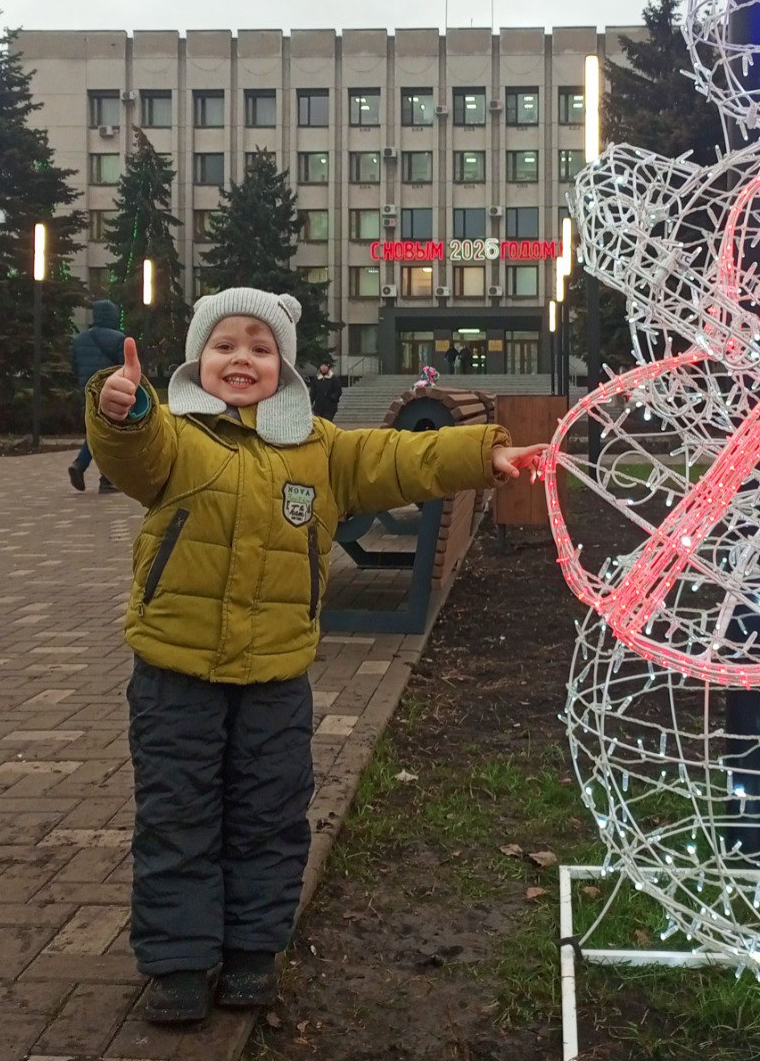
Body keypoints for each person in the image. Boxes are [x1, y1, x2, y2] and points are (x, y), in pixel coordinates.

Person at [85, 288, 546, 1025]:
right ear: (199, 358)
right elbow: (133, 452)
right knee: (178, 816)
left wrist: (485, 451)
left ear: (285, 367)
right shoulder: (175, 435)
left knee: (269, 814)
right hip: (176, 672)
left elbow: (403, 456)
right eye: (226, 345)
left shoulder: (322, 448)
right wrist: (122, 410)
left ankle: (252, 952)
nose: (242, 359)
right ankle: (177, 961)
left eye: (261, 348)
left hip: (275, 674)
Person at [69, 299, 126, 493]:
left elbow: (74, 367)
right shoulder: (119, 339)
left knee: (97, 432)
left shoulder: (80, 339)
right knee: (110, 434)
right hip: (110, 394)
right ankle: (104, 478)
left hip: (86, 392)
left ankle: (82, 465)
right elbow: (125, 368)